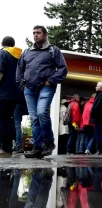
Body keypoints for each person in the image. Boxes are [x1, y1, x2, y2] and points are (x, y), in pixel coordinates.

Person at [16, 25, 67, 158]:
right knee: (33, 118)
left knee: (41, 112)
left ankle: (49, 142)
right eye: (34, 33)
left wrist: (51, 80)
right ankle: (37, 147)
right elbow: (19, 70)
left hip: (46, 87)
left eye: (38, 32)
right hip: (29, 88)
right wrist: (22, 84)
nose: (35, 35)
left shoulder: (53, 50)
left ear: (45, 35)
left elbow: (62, 69)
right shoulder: (27, 52)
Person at [0, 36, 22, 157]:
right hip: (15, 94)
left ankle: (6, 148)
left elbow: (0, 71)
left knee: (2, 120)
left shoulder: (3, 54)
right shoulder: (18, 56)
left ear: (2, 43)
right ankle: (11, 146)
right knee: (9, 120)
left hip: (3, 94)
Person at [90, 82, 102, 155]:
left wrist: (93, 110)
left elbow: (98, 106)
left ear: (100, 87)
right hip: (99, 116)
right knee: (98, 133)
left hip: (98, 117)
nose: (95, 87)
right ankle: (101, 149)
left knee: (98, 133)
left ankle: (101, 150)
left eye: (97, 86)